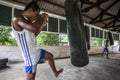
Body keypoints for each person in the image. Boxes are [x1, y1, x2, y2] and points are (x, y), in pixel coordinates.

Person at [12, 1, 63, 80]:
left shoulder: (28, 23)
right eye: (36, 14)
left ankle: (55, 72)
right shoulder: (17, 18)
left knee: (50, 56)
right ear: (30, 10)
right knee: (31, 77)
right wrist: (43, 17)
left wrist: (42, 25)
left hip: (36, 51)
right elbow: (34, 28)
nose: (35, 18)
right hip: (30, 56)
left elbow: (34, 34)